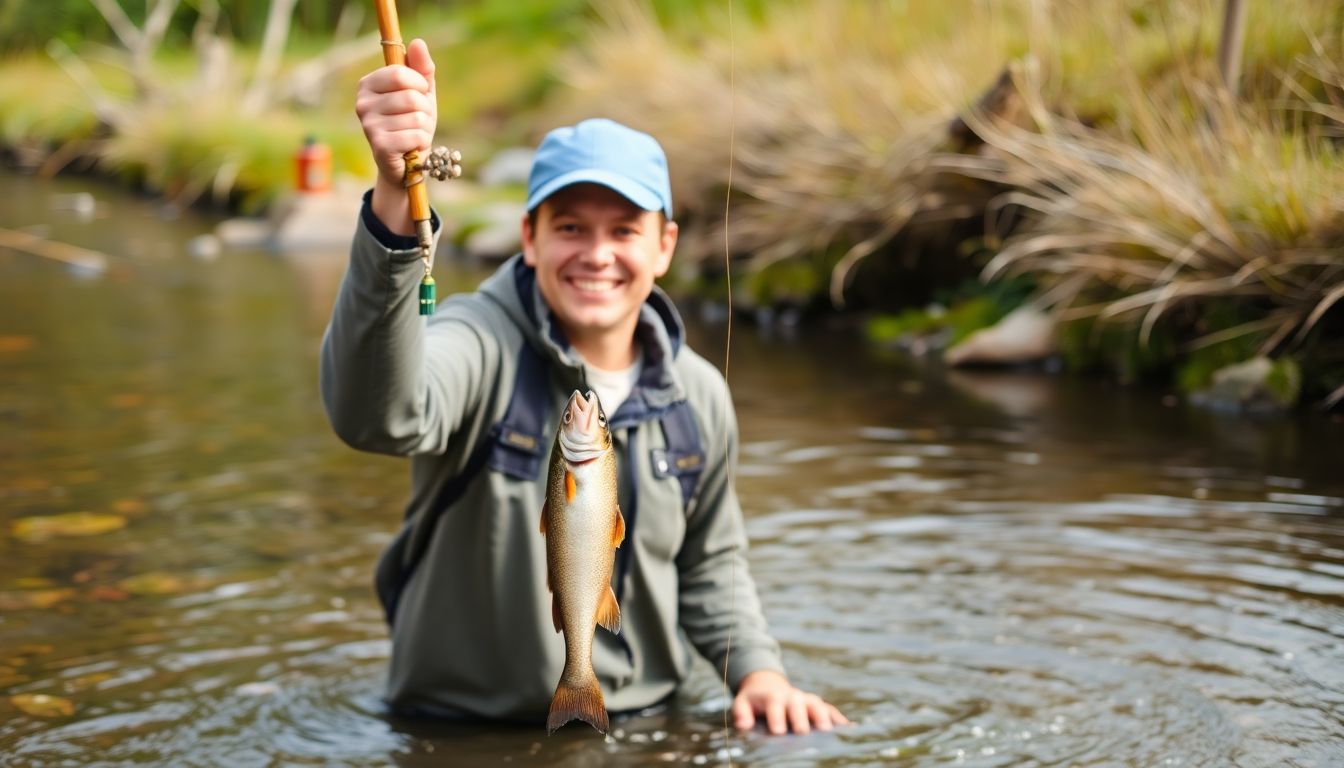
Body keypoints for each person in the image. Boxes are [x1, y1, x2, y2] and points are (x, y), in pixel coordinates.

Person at [321, 38, 848, 736]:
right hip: (454, 732)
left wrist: (758, 672)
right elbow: (375, 416)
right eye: (570, 227)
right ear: (529, 237)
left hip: (647, 729)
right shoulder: (476, 341)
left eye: (623, 230)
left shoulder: (700, 394)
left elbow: (712, 558)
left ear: (663, 247)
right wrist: (394, 198)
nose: (596, 254)